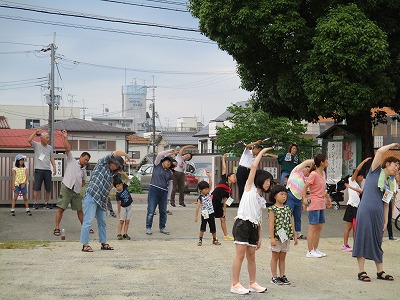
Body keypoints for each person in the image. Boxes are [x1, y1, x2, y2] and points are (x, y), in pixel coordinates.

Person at [352, 143, 399, 282]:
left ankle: (380, 271)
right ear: (387, 164)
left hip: (378, 214)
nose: (397, 168)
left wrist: (386, 221)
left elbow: (386, 204)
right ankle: (361, 272)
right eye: (395, 165)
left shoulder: (390, 182)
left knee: (378, 241)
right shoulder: (375, 171)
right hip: (365, 211)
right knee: (362, 238)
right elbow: (379, 152)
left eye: (398, 167)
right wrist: (392, 145)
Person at [230, 147, 273, 295]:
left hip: (253, 227)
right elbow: (253, 166)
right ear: (260, 180)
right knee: (240, 255)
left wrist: (260, 236)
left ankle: (252, 283)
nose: (268, 183)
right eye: (267, 180)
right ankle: (235, 284)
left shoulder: (261, 198)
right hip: (242, 223)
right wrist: (262, 152)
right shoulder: (250, 188)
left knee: (251, 257)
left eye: (269, 181)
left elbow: (259, 218)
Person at [80, 150, 130, 252]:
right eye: (115, 164)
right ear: (111, 161)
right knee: (88, 221)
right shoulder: (101, 164)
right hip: (92, 195)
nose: (115, 167)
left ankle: (103, 243)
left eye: (117, 166)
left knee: (102, 222)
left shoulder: (112, 175)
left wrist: (106, 201)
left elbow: (108, 188)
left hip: (102, 199)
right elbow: (114, 152)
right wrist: (125, 155)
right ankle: (85, 244)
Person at [54, 130, 91, 236]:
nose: (86, 161)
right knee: (61, 208)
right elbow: (67, 148)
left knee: (80, 210)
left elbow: (84, 181)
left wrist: (79, 186)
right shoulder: (72, 160)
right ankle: (57, 228)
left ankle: (85, 228)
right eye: (85, 159)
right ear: (81, 157)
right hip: (66, 187)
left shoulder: (84, 170)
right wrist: (65, 137)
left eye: (88, 160)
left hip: (76, 191)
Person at [302, 154, 332, 258]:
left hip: (321, 202)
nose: (327, 161)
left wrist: (328, 199)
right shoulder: (313, 174)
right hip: (314, 202)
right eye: (326, 159)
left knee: (319, 227)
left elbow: (323, 189)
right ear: (322, 162)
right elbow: (305, 187)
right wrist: (304, 199)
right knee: (313, 227)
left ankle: (315, 248)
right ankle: (309, 251)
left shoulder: (323, 173)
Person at [268, 184, 298, 285]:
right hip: (277, 237)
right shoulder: (272, 209)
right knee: (275, 256)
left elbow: (291, 221)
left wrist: (294, 235)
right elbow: (271, 224)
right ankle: (274, 276)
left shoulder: (288, 209)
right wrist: (272, 238)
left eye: (285, 194)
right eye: (281, 194)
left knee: (283, 257)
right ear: (275, 196)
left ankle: (282, 276)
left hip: (286, 237)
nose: (284, 196)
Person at [341, 157, 371, 251]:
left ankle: (356, 245)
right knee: (349, 227)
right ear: (358, 175)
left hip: (356, 207)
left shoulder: (356, 185)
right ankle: (345, 245)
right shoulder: (352, 180)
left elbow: (360, 191)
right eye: (361, 176)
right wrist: (364, 161)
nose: (362, 178)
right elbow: (357, 169)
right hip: (351, 206)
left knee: (355, 227)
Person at [146, 149, 174, 235]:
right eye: (168, 162)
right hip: (154, 190)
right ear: (163, 161)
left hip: (164, 192)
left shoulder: (169, 172)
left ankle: (162, 227)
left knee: (163, 211)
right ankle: (148, 227)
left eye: (170, 164)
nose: (169, 164)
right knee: (151, 211)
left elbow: (170, 185)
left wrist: (169, 196)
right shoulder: (157, 165)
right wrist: (170, 150)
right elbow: (160, 154)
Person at [28, 129, 56, 209]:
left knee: (48, 188)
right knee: (36, 187)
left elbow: (52, 157)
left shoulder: (50, 147)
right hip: (39, 169)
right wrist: (35, 132)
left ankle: (46, 203)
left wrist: (54, 166)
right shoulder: (37, 145)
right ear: (41, 138)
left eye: (48, 138)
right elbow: (29, 140)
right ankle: (35, 203)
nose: (48, 139)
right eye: (46, 138)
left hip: (47, 170)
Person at [286, 159, 314, 240]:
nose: (307, 170)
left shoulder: (306, 180)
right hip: (290, 195)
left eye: (309, 170)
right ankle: (289, 233)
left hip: (298, 199)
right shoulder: (296, 171)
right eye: (306, 168)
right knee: (288, 215)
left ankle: (298, 233)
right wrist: (314, 160)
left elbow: (304, 192)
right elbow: (305, 163)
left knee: (298, 217)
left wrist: (303, 203)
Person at [211, 153, 236, 241]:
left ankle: (226, 235)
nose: (234, 178)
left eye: (235, 177)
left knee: (222, 217)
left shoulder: (230, 190)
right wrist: (223, 158)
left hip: (219, 202)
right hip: (214, 198)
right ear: (228, 177)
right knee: (211, 217)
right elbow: (224, 168)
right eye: (233, 176)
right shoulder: (224, 180)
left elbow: (225, 200)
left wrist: (225, 210)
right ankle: (214, 236)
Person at [194, 175, 221, 246]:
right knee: (203, 227)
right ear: (201, 190)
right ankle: (200, 240)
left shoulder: (208, 194)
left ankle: (214, 239)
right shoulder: (200, 198)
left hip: (211, 213)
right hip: (204, 214)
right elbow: (198, 207)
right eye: (205, 189)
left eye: (207, 189)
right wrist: (196, 216)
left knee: (213, 227)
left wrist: (209, 177)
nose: (206, 190)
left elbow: (211, 184)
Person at [114, 171, 133, 240]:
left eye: (120, 185)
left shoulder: (124, 187)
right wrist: (119, 212)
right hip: (123, 207)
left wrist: (123, 173)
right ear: (115, 187)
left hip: (129, 206)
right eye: (118, 186)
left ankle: (125, 233)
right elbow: (118, 204)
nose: (120, 187)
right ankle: (119, 234)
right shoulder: (117, 194)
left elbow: (127, 178)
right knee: (121, 221)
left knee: (127, 221)